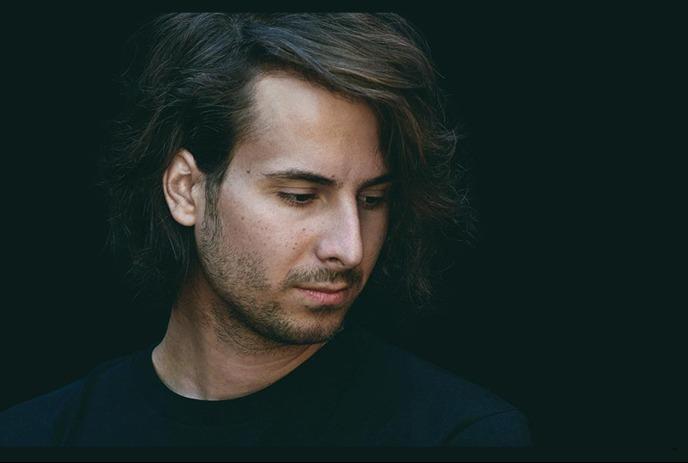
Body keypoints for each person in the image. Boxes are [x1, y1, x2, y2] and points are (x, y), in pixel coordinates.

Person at [0, 13, 530, 447]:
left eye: (372, 200)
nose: (350, 247)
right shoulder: (39, 440)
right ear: (186, 189)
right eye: (300, 196)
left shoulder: (458, 439)